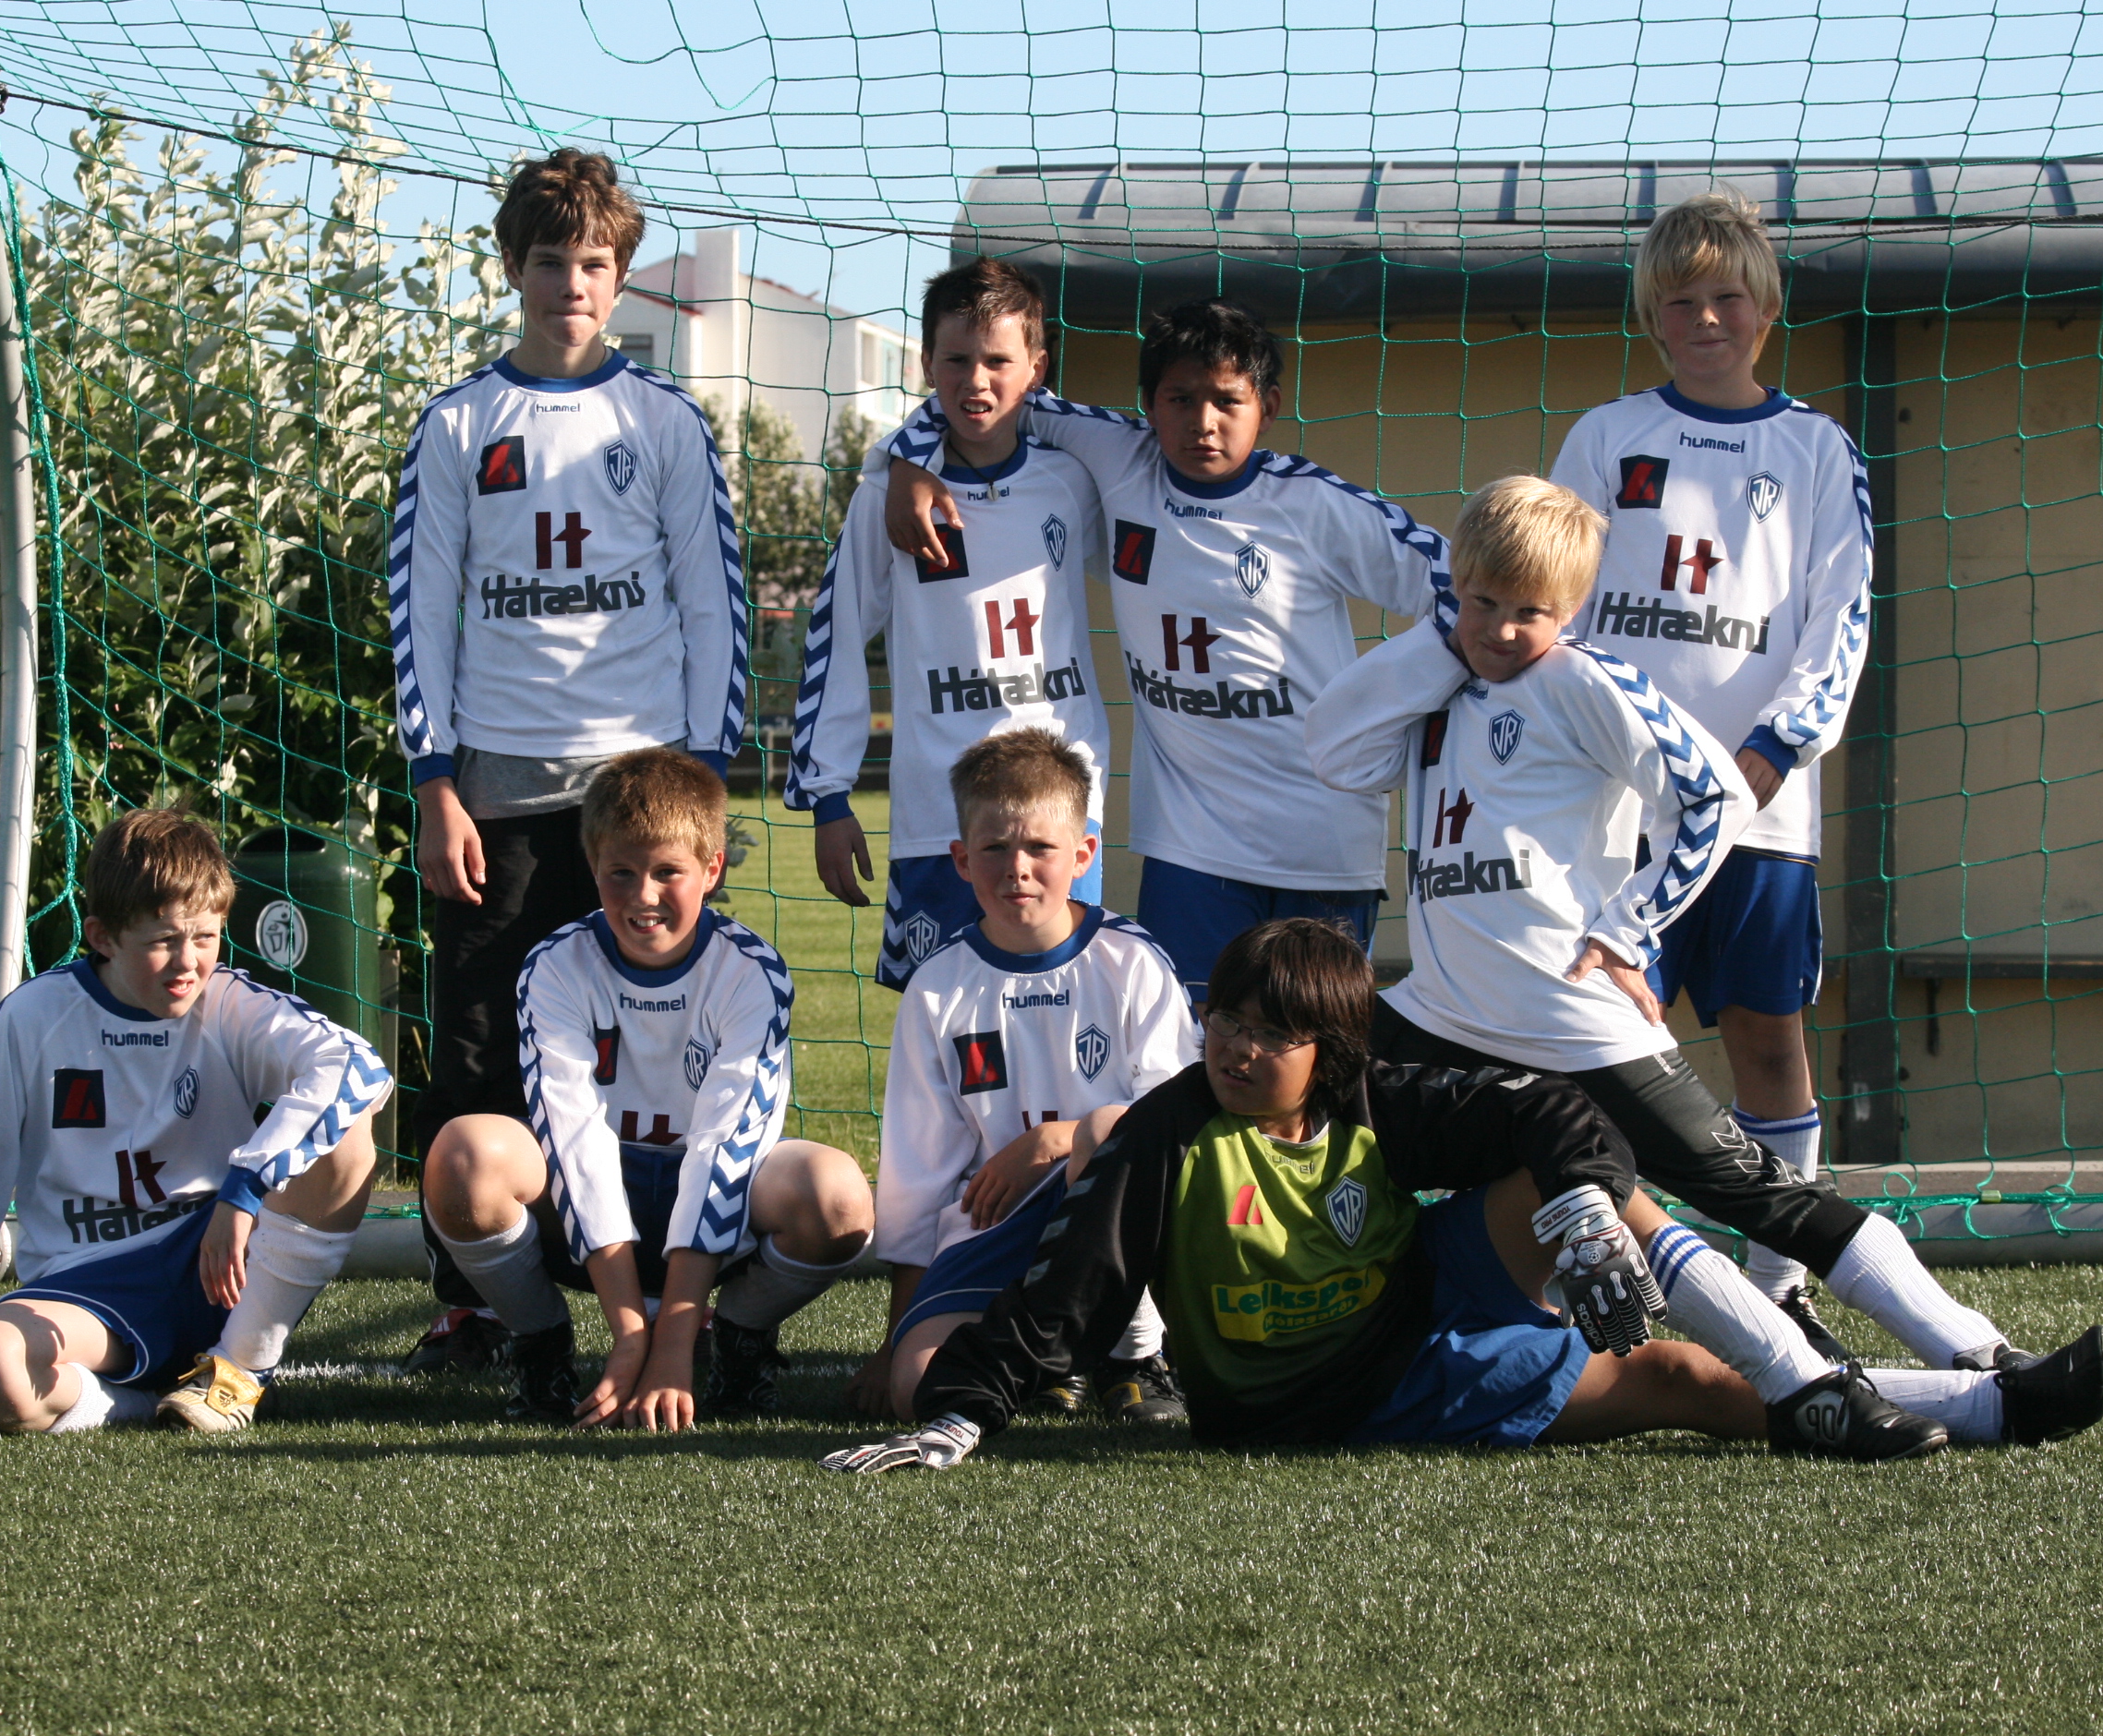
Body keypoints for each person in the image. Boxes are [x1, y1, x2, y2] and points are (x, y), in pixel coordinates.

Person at [1306, 475, 2103, 1389]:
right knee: (1299, 1113)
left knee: (1762, 1196)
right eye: (1482, 602)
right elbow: (1333, 749)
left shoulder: (1584, 680)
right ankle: (1298, 1335)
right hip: (1442, 1012)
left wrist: (1628, 926)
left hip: (1570, 1019)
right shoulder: (1436, 679)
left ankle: (1980, 1354)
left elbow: (1716, 796)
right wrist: (1434, 644)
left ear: (1571, 609)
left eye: (1528, 612)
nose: (1499, 630)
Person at [821, 920, 2103, 1473]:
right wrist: (966, 1412)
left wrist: (1586, 1204)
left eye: (1268, 1035)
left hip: (1413, 1291)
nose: (1234, 1050)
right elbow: (1072, 1287)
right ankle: (1939, 1403)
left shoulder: (1375, 1098)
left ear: (1331, 1053)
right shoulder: (1170, 1132)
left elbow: (1552, 1112)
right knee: (1685, 1379)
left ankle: (1904, 1390)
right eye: (1224, 1022)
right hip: (1327, 1397)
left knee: (1578, 1177)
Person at [388, 149, 748, 1375]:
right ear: (513, 267)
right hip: (496, 792)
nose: (572, 286)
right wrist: (435, 783)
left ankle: (684, 1290)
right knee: (478, 1046)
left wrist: (704, 780)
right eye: (551, 262)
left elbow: (712, 604)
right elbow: (421, 612)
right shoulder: (457, 423)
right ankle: (481, 1302)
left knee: (660, 1047)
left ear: (621, 275)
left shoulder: (663, 421)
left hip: (637, 796)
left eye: (595, 264)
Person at [878, 298, 1449, 1001]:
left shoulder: (1315, 506)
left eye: (1227, 401)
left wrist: (1391, 694)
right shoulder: (1121, 459)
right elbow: (997, 394)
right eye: (1180, 399)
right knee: (1188, 1047)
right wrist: (904, 460)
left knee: (1311, 1049)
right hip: (1189, 850)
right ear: (1148, 405)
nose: (1202, 421)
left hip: (1321, 846)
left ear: (1268, 407)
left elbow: (1464, 587)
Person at [1548, 187, 1872, 1333]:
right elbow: (1553, 598)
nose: (1704, 319)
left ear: (1764, 311)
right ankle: (1604, 1285)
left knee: (1764, 1040)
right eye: (1680, 301)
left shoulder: (1815, 447)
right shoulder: (1604, 438)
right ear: (1651, 315)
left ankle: (1780, 1287)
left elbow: (1840, 615)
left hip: (1757, 810)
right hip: (1617, 811)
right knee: (1599, 1041)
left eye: (1726, 297)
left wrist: (1771, 751)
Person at [0, 809, 393, 1434]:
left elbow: (356, 1066)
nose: (188, 963)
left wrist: (244, 1188)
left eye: (205, 937)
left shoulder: (230, 1005)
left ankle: (237, 1372)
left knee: (348, 1132)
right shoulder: (32, 1019)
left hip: (219, 1269)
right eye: (163, 941)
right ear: (103, 937)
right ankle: (134, 1403)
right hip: (89, 1292)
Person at [418, 749, 875, 1428]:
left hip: (718, 1206)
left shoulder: (752, 972)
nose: (643, 896)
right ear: (592, 864)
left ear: (713, 869)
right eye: (622, 873)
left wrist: (674, 1343)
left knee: (836, 1196)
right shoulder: (555, 965)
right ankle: (542, 1345)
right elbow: (574, 1141)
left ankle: (738, 1337)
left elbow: (725, 1150)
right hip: (590, 1210)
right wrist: (633, 1335)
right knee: (464, 1156)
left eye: (668, 872)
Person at [786, 259, 1112, 990]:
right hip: (941, 815)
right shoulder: (885, 499)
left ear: (1036, 368)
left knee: (1064, 1006)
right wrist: (828, 795)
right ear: (926, 363)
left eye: (998, 361)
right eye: (957, 360)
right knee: (945, 1021)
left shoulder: (1073, 481)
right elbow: (838, 636)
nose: (977, 381)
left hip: (1063, 812)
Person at [858, 729, 1198, 1423]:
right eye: (994, 849)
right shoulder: (937, 987)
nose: (1017, 868)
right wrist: (896, 1340)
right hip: (994, 1227)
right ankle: (1049, 1360)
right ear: (961, 859)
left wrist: (1055, 1139)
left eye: (1041, 847)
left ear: (1084, 854)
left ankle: (1132, 1356)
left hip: (1114, 1225)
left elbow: (1176, 1117)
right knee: (917, 1391)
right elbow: (919, 1176)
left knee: (1106, 1132)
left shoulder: (1132, 963)